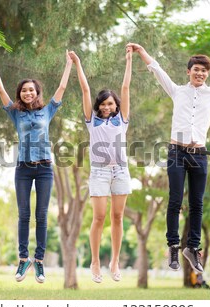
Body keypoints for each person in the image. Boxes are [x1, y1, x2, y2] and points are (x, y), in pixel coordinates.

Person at [127, 30, 210, 274]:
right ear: (189, 72)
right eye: (196, 69)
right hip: (176, 151)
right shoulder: (177, 90)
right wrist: (142, 51)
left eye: (204, 70)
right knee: (175, 200)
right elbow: (156, 69)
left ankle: (192, 248)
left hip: (199, 154)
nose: (200, 73)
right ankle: (174, 246)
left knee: (197, 203)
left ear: (207, 74)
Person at [0, 51, 73, 283]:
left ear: (37, 93)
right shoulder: (15, 113)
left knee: (42, 215)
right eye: (24, 90)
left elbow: (62, 88)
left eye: (32, 90)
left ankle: (39, 262)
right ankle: (23, 258)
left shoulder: (47, 110)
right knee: (24, 214)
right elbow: (0, 92)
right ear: (20, 94)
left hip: (45, 168)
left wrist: (68, 64)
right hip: (23, 169)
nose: (28, 93)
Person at [69, 47, 132, 283]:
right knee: (99, 217)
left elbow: (125, 88)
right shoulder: (91, 120)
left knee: (117, 217)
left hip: (121, 171)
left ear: (116, 105)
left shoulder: (122, 119)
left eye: (110, 104)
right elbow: (85, 89)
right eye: (102, 104)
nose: (106, 107)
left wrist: (128, 60)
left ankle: (114, 261)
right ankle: (95, 261)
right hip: (99, 172)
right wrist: (77, 63)